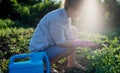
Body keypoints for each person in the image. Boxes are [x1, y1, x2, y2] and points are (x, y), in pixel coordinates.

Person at [29, 0, 98, 72]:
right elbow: (60, 42)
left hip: (47, 47)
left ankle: (71, 63)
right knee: (71, 46)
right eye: (80, 10)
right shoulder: (57, 18)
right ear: (71, 9)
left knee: (73, 30)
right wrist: (79, 43)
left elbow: (70, 37)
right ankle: (45, 66)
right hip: (39, 52)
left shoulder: (66, 17)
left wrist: (83, 42)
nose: (81, 13)